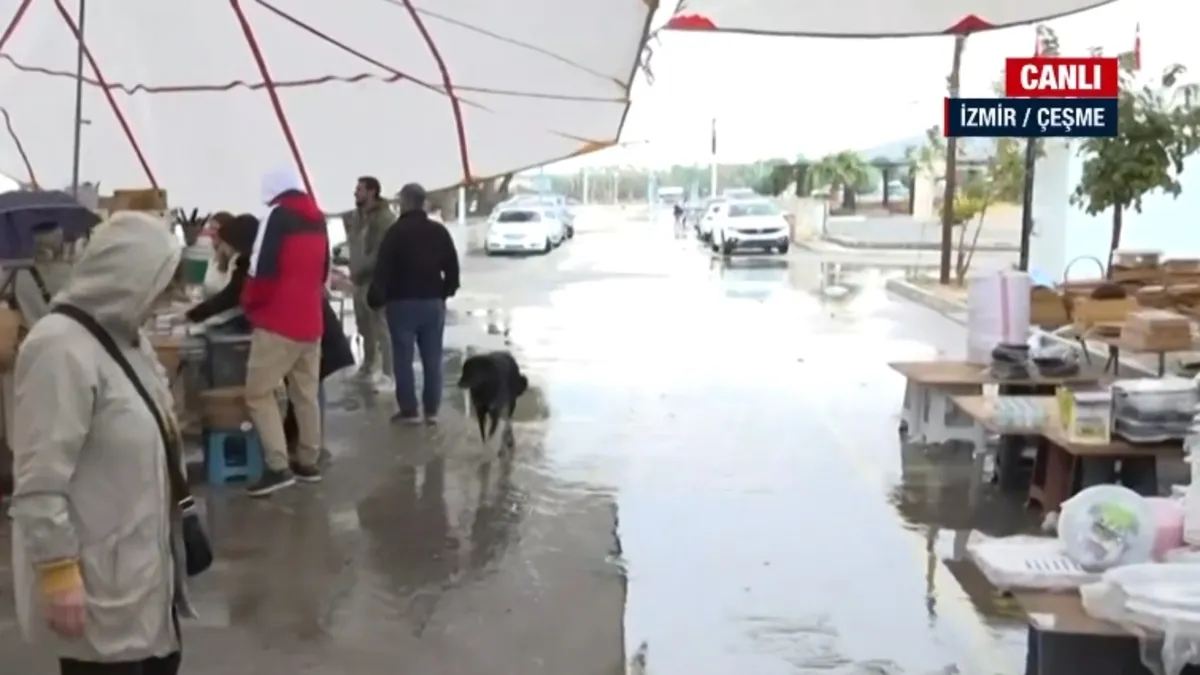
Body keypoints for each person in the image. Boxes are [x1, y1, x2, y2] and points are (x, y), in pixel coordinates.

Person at [8, 211, 195, 675]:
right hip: (96, 583)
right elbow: (39, 480)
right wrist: (57, 573)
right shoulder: (59, 347)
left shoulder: (128, 339)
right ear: (127, 275)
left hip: (146, 576)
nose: (165, 299)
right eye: (160, 283)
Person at [241, 168, 330, 497]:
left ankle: (278, 466)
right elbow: (323, 271)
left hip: (278, 322)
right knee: (305, 395)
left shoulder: (277, 217)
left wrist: (250, 305)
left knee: (258, 393)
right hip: (311, 322)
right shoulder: (318, 218)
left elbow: (260, 268)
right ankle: (308, 461)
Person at [372, 183, 460, 424]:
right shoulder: (438, 231)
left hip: (401, 304)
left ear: (405, 203)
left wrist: (376, 299)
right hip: (432, 303)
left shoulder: (395, 233)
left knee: (403, 358)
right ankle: (432, 411)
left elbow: (383, 270)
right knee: (433, 358)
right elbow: (452, 267)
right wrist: (444, 292)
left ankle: (409, 410)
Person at [343, 176, 394, 391]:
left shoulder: (384, 218)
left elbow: (380, 252)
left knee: (381, 327)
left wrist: (361, 270)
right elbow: (355, 245)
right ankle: (368, 366)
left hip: (376, 280)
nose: (355, 193)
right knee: (364, 326)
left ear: (372, 191)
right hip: (358, 279)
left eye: (360, 189)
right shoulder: (357, 215)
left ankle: (389, 375)